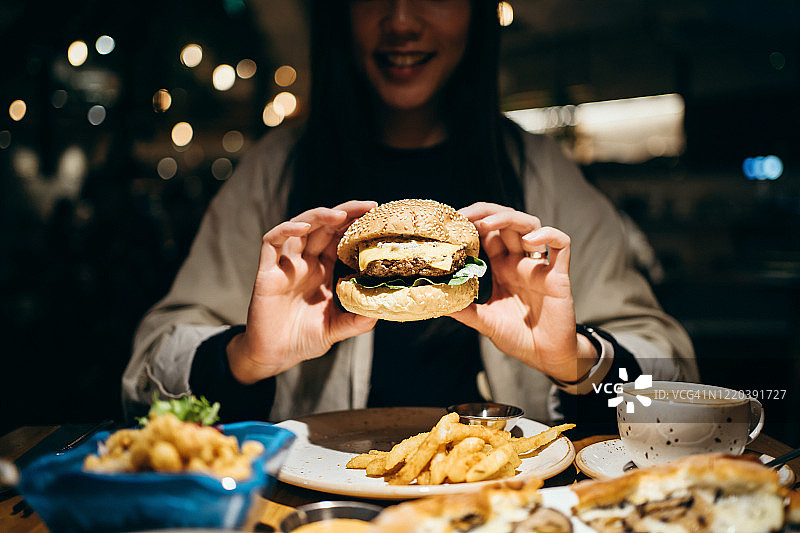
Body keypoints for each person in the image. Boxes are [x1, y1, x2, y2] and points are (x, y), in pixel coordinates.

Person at [122, 0, 698, 434]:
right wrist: (246, 357)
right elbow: (144, 381)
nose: (401, 20)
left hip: (502, 505)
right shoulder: (276, 173)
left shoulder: (542, 174)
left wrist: (576, 360)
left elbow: (679, 384)